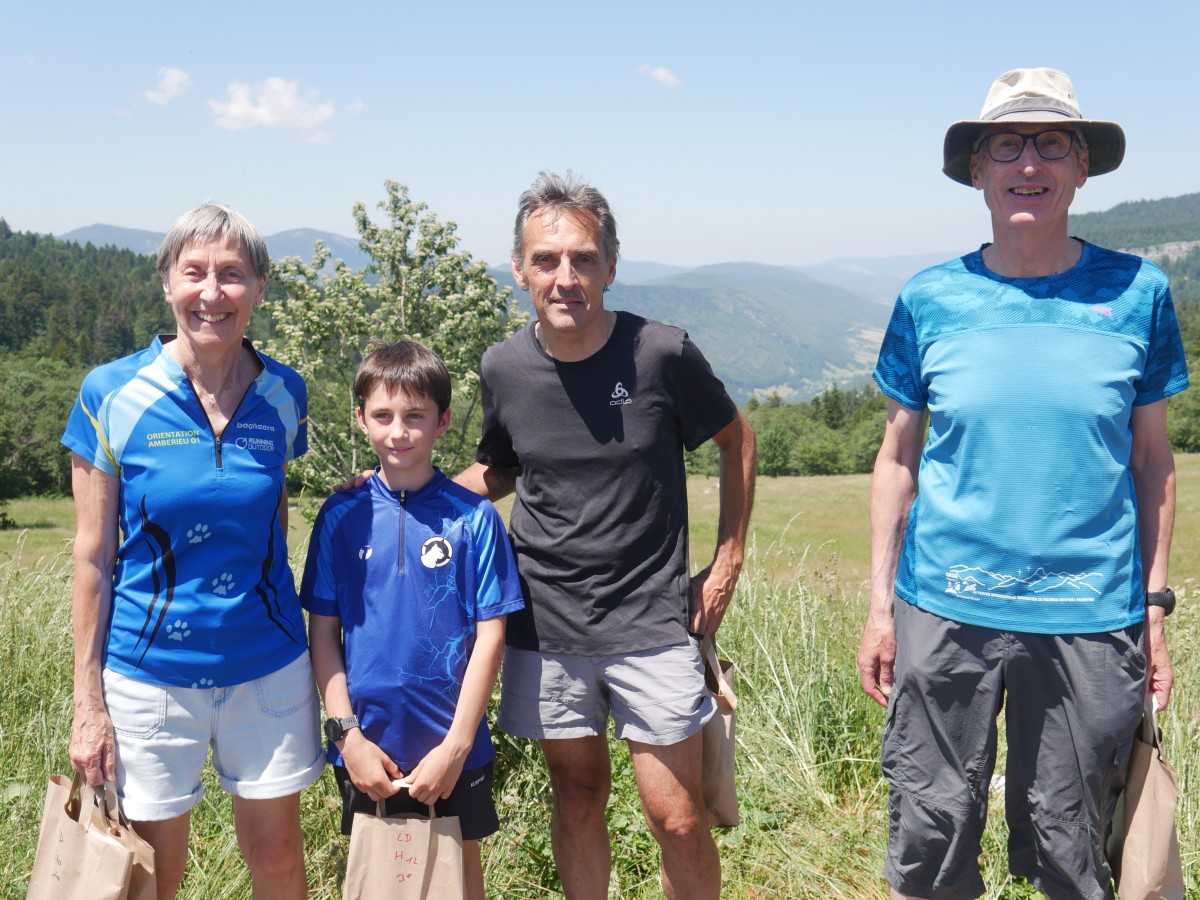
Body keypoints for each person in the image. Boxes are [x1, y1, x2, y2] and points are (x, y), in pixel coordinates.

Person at [857, 68, 1188, 899]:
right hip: (945, 609)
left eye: (1052, 144)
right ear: (977, 170)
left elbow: (1153, 461)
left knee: (1075, 848)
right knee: (930, 836)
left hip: (1091, 614)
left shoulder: (1139, 293)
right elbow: (897, 459)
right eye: (1006, 144)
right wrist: (880, 608)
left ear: (1082, 167)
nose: (1028, 163)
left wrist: (1153, 608)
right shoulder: (930, 299)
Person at [455, 171, 756, 899]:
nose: (566, 277)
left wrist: (727, 562)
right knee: (578, 797)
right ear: (520, 269)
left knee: (676, 817)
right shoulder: (504, 367)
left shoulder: (661, 353)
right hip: (546, 619)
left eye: (583, 259)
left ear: (610, 267)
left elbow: (736, 439)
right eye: (547, 260)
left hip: (652, 619)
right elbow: (502, 466)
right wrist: (397, 499)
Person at [62, 203, 324, 898]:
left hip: (268, 667)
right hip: (149, 677)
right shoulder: (110, 393)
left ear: (259, 287)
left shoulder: (285, 393)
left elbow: (272, 517)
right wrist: (89, 705)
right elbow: (92, 560)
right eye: (194, 272)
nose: (212, 292)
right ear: (167, 283)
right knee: (153, 874)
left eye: (232, 274)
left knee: (278, 859)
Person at [302, 341, 524, 900]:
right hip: (366, 747)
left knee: (459, 877)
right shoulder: (340, 516)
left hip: (452, 749)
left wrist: (456, 748)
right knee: (378, 877)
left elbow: (491, 637)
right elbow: (323, 633)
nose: (398, 432)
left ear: (443, 420)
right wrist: (347, 737)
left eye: (415, 416)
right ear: (361, 419)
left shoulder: (474, 519)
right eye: (383, 416)